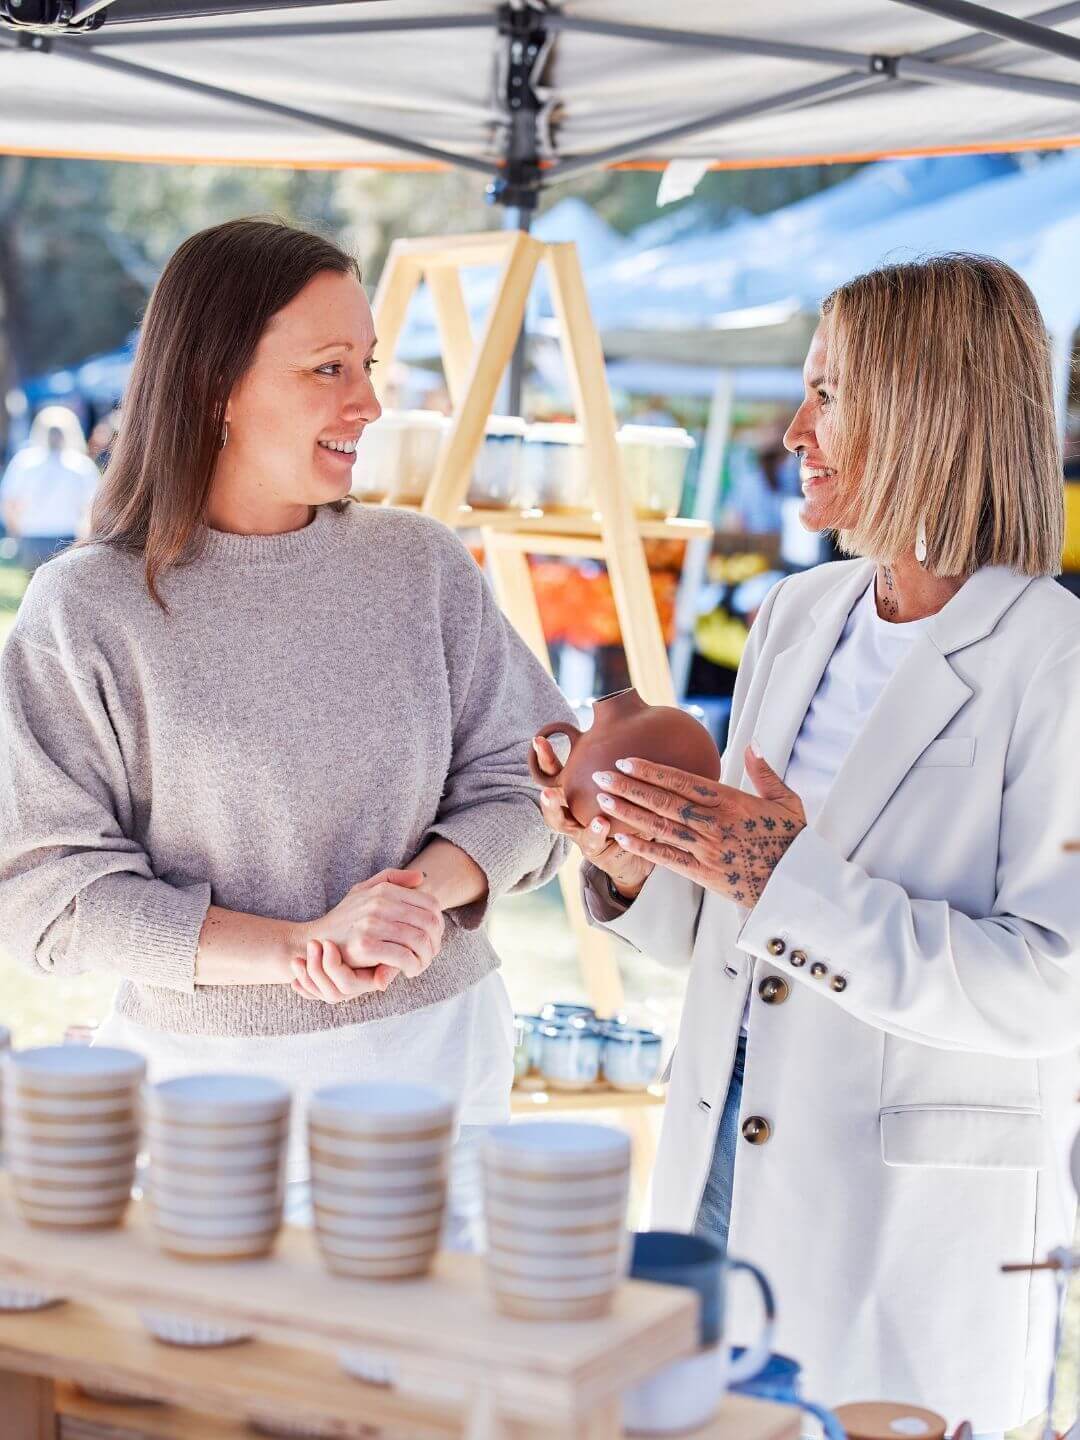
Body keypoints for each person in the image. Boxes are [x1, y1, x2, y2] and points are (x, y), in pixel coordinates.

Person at [536, 255, 1080, 1431]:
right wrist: (633, 860)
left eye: (829, 394)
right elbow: (743, 926)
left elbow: (1052, 988)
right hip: (718, 1179)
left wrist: (788, 880)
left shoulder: (1054, 660)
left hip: (906, 1233)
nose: (794, 430)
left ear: (931, 406)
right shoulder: (798, 615)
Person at [0, 218, 572, 1243]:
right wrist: (301, 950)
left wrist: (409, 899)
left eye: (368, 364)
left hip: (443, 1075)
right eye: (328, 368)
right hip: (206, 1103)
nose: (370, 401)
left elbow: (532, 783)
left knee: (428, 1390)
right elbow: (44, 896)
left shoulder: (420, 567)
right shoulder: (85, 611)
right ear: (215, 386)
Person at [0, 405, 100, 574]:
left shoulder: (24, 462)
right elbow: (91, 508)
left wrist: (17, 533)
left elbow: (9, 504)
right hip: (67, 540)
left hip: (32, 539)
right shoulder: (81, 465)